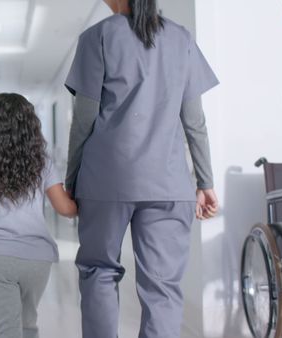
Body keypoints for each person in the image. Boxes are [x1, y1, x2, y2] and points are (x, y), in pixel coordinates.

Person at [64, 0, 219, 337]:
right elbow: (195, 121)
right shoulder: (181, 39)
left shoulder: (97, 37)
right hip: (168, 183)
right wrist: (205, 181)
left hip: (105, 182)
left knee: (98, 272)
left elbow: (83, 120)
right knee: (162, 288)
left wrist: (71, 179)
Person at [0, 93, 77, 338]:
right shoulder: (42, 163)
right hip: (37, 260)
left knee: (7, 330)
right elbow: (66, 209)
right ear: (30, 127)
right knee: (28, 324)